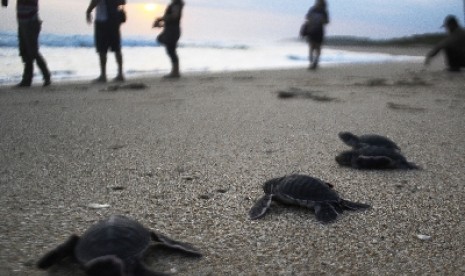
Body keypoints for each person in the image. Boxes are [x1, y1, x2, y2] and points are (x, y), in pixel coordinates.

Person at [2, 0, 51, 87]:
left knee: (33, 51)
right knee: (24, 51)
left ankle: (46, 76)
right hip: (22, 22)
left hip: (31, 22)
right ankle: (27, 79)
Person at [86, 0, 126, 82]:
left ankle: (103, 75)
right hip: (114, 20)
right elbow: (123, 2)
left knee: (102, 49)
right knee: (116, 48)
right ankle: (120, 74)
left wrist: (88, 11)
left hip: (102, 20)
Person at [153, 0, 184, 78]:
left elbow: (175, 16)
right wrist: (162, 23)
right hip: (171, 30)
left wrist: (161, 18)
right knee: (170, 50)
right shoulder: (175, 4)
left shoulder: (176, 4)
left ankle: (175, 72)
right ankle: (175, 71)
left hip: (172, 31)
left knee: (171, 50)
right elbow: (173, 20)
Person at [302, 0, 329, 70]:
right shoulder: (322, 11)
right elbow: (326, 22)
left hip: (315, 31)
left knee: (314, 48)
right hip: (315, 31)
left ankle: (313, 63)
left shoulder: (318, 10)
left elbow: (307, 18)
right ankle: (313, 62)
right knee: (315, 48)